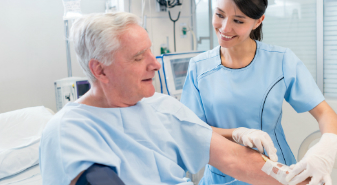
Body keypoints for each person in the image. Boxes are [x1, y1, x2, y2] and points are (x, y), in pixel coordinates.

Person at [39, 12, 311, 185]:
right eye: (138, 57)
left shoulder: (161, 107)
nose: (155, 64)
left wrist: (296, 180)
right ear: (100, 70)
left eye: (150, 52)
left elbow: (234, 159)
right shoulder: (69, 129)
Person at [180, 0, 337, 185]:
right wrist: (236, 134)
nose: (225, 27)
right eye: (219, 15)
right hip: (221, 176)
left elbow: (326, 114)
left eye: (238, 21)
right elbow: (192, 129)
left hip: (276, 174)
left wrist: (327, 147)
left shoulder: (280, 61)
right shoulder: (199, 67)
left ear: (258, 21)